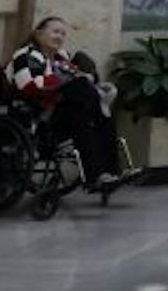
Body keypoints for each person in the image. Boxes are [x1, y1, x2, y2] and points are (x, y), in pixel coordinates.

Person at [8, 17, 140, 194]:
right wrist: (76, 80)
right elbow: (30, 85)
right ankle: (99, 174)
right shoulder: (26, 54)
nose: (60, 36)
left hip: (64, 113)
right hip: (36, 116)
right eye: (55, 31)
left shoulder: (60, 57)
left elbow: (78, 75)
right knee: (87, 99)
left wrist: (90, 82)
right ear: (38, 34)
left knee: (93, 112)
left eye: (63, 33)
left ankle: (110, 173)